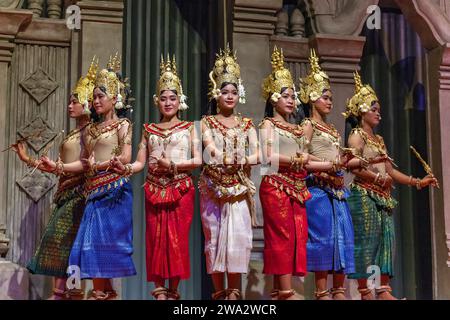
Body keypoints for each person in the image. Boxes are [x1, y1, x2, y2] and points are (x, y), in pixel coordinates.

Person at [41, 54, 136, 300]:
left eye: (100, 96)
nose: (95, 101)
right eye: (93, 97)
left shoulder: (123, 125)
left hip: (114, 192)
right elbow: (84, 164)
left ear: (114, 99)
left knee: (106, 250)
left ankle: (102, 293)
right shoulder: (90, 130)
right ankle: (98, 293)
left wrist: (104, 163)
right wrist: (57, 167)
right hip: (92, 192)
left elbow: (126, 157)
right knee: (87, 249)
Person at [112, 55, 201, 300]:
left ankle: (174, 291)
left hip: (181, 189)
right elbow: (140, 161)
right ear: (156, 101)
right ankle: (160, 291)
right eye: (163, 98)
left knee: (177, 241)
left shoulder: (189, 128)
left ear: (180, 100)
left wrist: (172, 165)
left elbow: (198, 161)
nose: (168, 102)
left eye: (172, 98)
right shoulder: (148, 129)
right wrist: (125, 169)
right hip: (153, 189)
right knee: (156, 240)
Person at [344, 71, 438, 300]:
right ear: (362, 111)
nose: (379, 113)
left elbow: (391, 171)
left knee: (385, 245)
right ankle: (366, 291)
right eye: (374, 109)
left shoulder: (379, 140)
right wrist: (376, 178)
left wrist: (417, 182)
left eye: (379, 110)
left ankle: (382, 290)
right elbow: (352, 165)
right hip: (364, 196)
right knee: (367, 245)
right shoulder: (356, 136)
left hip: (383, 198)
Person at [259, 47, 342, 300]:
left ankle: (281, 289)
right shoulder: (268, 124)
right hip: (275, 185)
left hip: (296, 187)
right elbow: (268, 157)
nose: (292, 100)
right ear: (274, 99)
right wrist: (295, 160)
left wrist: (330, 166)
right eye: (286, 96)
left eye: (294, 96)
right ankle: (285, 291)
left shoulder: (296, 129)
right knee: (281, 236)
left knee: (296, 235)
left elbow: (306, 159)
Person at [12, 58, 98, 300]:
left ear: (87, 104)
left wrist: (59, 165)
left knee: (67, 245)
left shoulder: (91, 132)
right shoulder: (74, 132)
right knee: (60, 245)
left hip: (79, 196)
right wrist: (28, 159)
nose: (70, 106)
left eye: (75, 101)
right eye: (70, 101)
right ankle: (62, 293)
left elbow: (85, 163)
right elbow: (57, 168)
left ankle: (69, 293)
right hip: (65, 193)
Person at [199, 45, 259, 300]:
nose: (230, 96)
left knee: (237, 238)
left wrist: (244, 158)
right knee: (213, 238)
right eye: (225, 91)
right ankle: (218, 292)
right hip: (212, 187)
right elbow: (208, 147)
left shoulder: (247, 124)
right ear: (216, 93)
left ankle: (234, 291)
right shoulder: (206, 121)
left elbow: (258, 154)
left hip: (238, 186)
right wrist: (223, 157)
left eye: (234, 91)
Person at [300, 50, 355, 300]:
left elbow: (339, 158)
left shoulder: (332, 128)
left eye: (331, 97)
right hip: (318, 190)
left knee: (342, 237)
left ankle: (339, 291)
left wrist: (347, 160)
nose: (330, 101)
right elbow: (302, 159)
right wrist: (328, 164)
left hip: (338, 189)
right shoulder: (308, 125)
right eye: (325, 97)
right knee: (323, 239)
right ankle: (321, 292)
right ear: (312, 98)